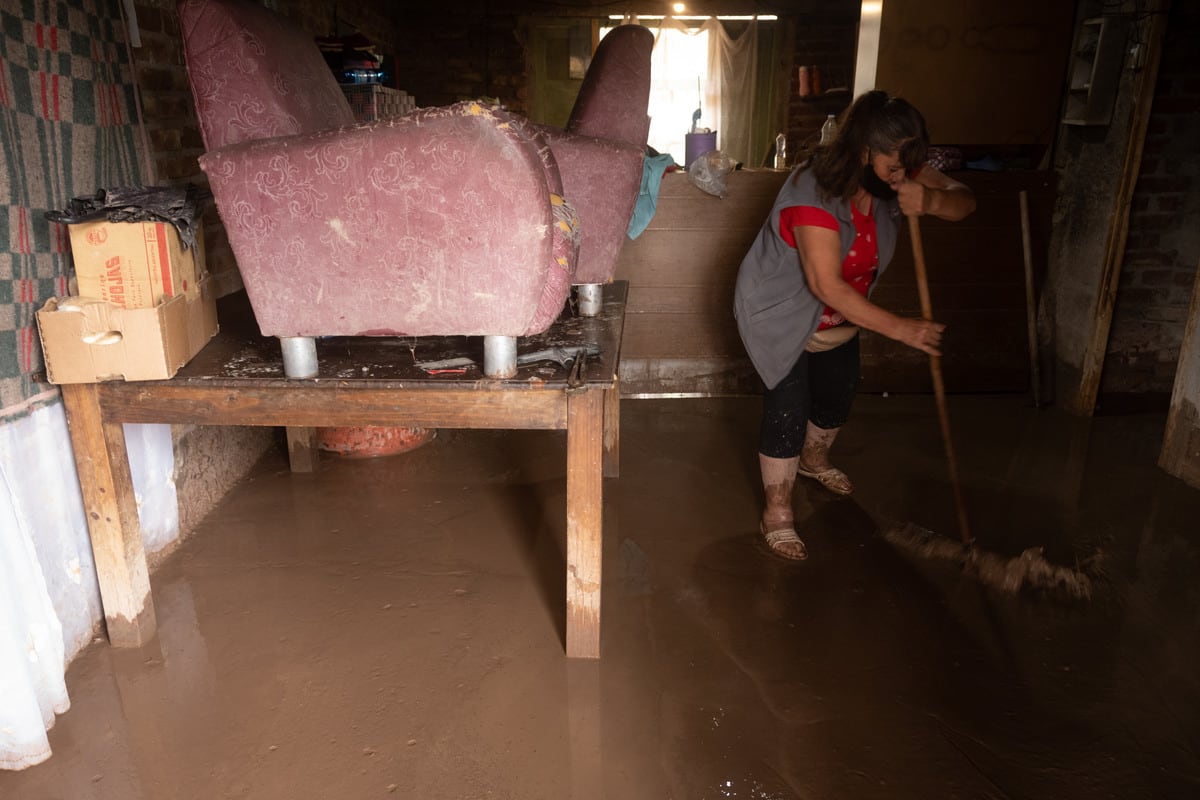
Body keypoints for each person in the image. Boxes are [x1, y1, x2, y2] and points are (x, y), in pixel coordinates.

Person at [733, 90, 976, 561]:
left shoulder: (898, 166)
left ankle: (814, 461)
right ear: (864, 154)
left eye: (910, 167)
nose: (901, 176)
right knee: (788, 405)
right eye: (893, 168)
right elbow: (825, 285)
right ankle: (777, 511)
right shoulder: (814, 190)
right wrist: (904, 331)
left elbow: (966, 202)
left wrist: (930, 200)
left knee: (837, 392)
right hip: (780, 310)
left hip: (838, 316)